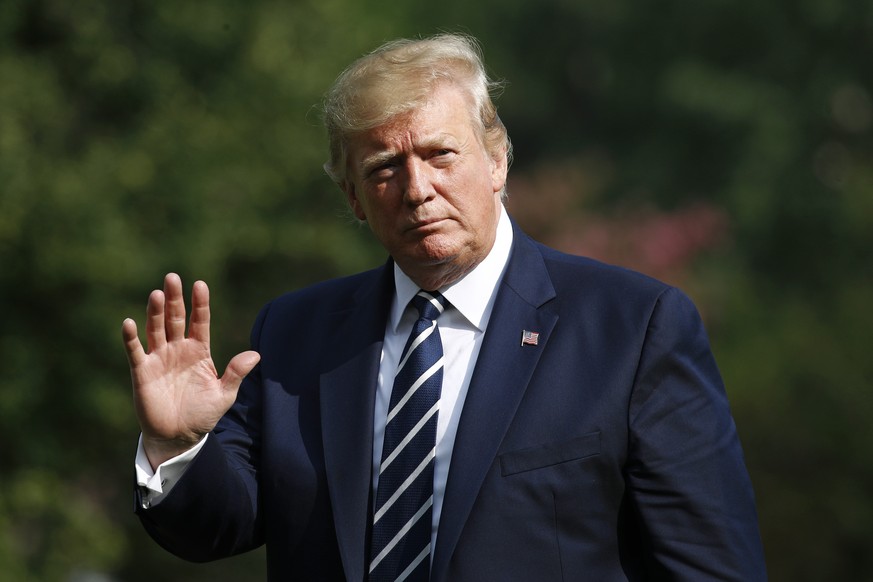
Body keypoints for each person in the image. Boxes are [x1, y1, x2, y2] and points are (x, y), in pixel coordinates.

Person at [123, 33, 767, 581]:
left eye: (440, 155)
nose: (417, 189)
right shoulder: (295, 334)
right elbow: (217, 527)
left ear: (496, 160)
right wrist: (176, 446)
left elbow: (708, 564)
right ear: (353, 198)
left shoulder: (633, 328)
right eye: (383, 169)